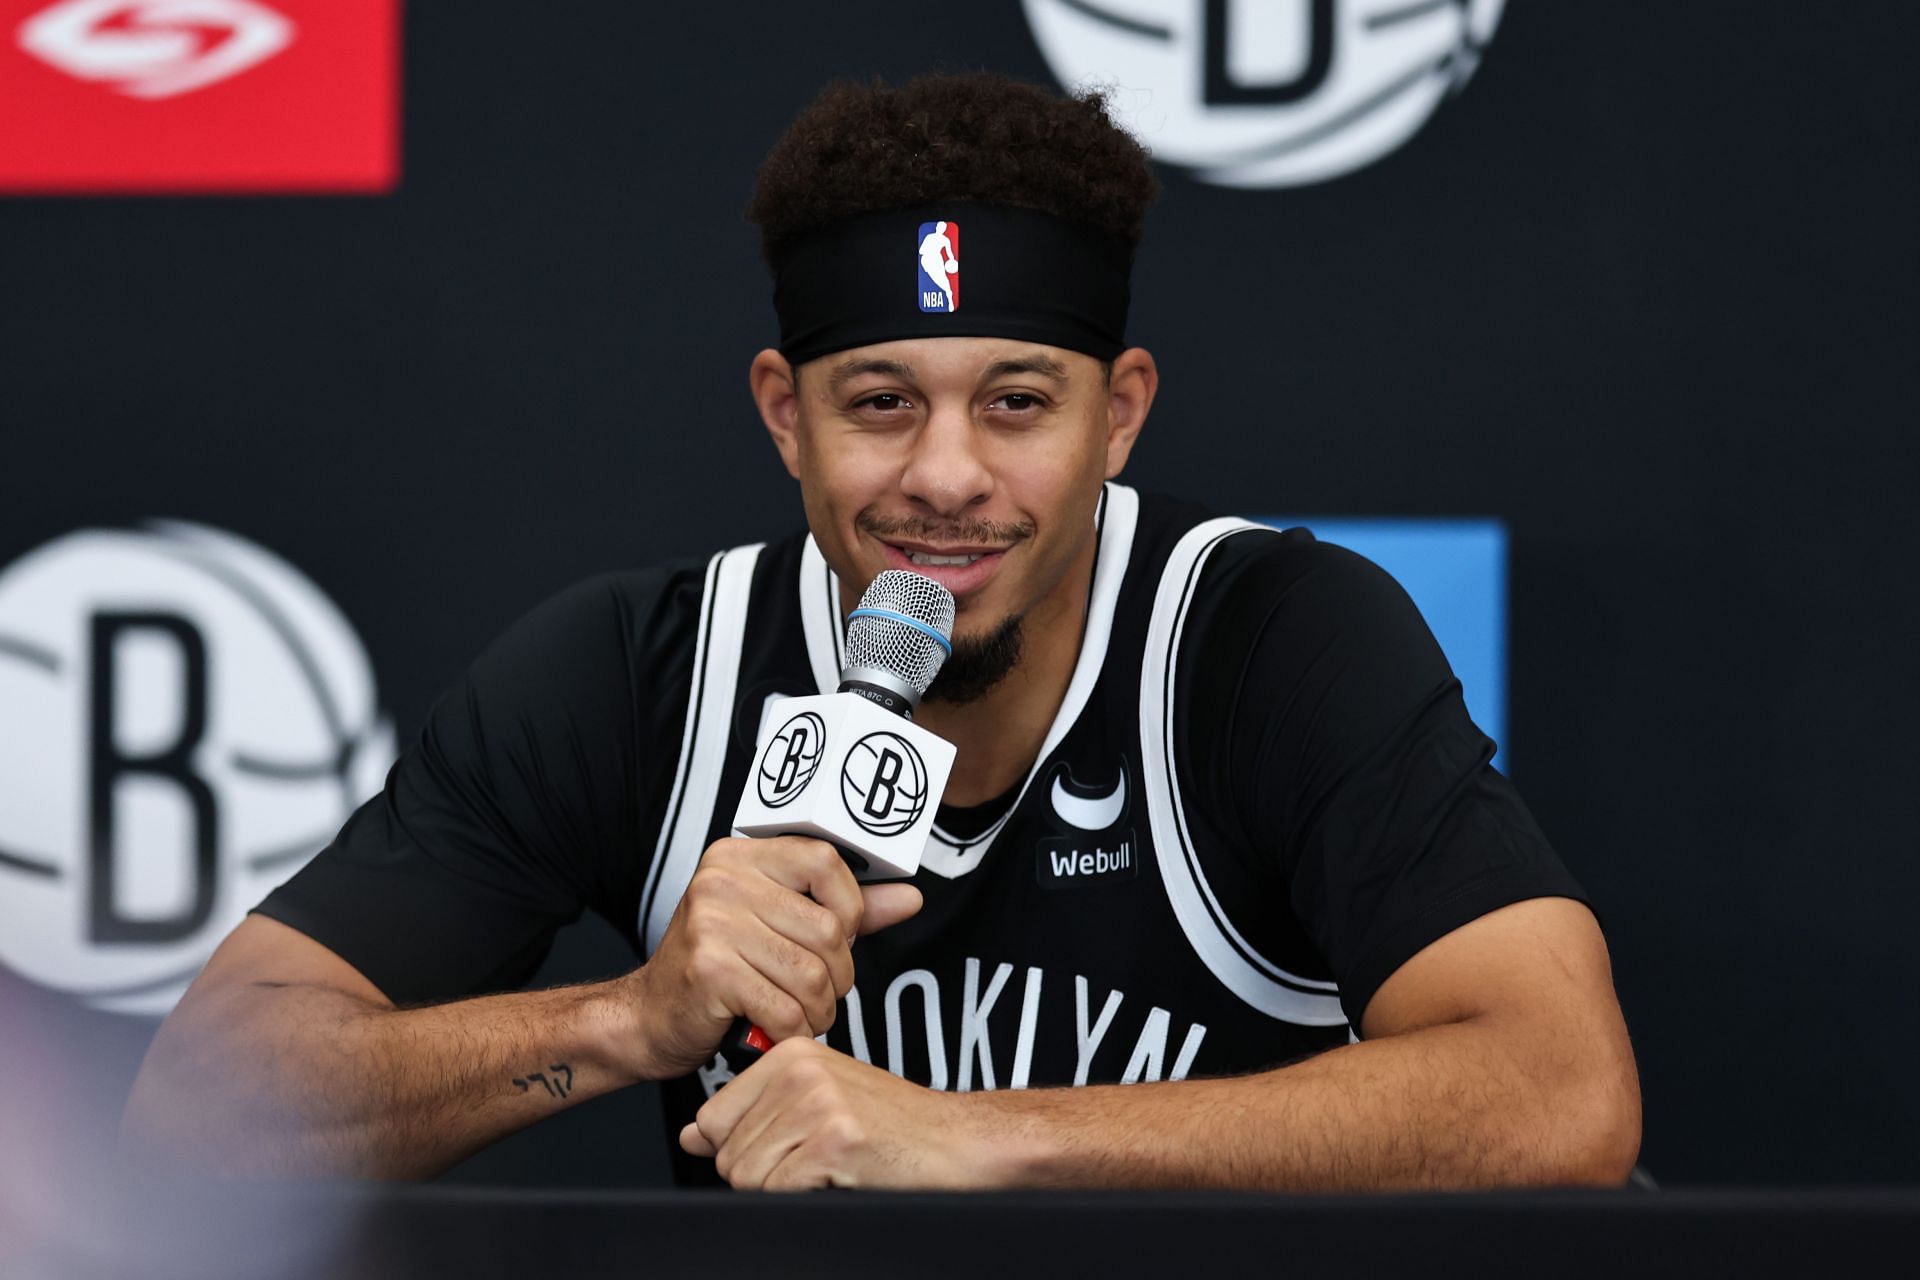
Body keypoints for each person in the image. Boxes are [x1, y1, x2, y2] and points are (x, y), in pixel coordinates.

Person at [122, 73, 1640, 1191]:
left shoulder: (1263, 638)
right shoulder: (639, 674)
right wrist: (627, 1019)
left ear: (1121, 416)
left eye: (1020, 402)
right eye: (882, 402)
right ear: (787, 415)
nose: (947, 476)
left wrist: (973, 1137)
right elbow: (196, 1118)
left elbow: (1564, 1096)